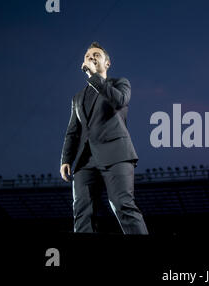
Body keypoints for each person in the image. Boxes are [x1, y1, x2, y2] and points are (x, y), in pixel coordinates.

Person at [59, 42, 148, 234]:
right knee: (81, 211)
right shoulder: (77, 98)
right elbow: (73, 131)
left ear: (107, 63)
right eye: (87, 55)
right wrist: (66, 159)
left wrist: (94, 77)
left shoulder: (119, 84)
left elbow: (119, 101)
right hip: (85, 161)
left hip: (116, 155)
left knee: (122, 205)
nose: (90, 57)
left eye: (96, 55)